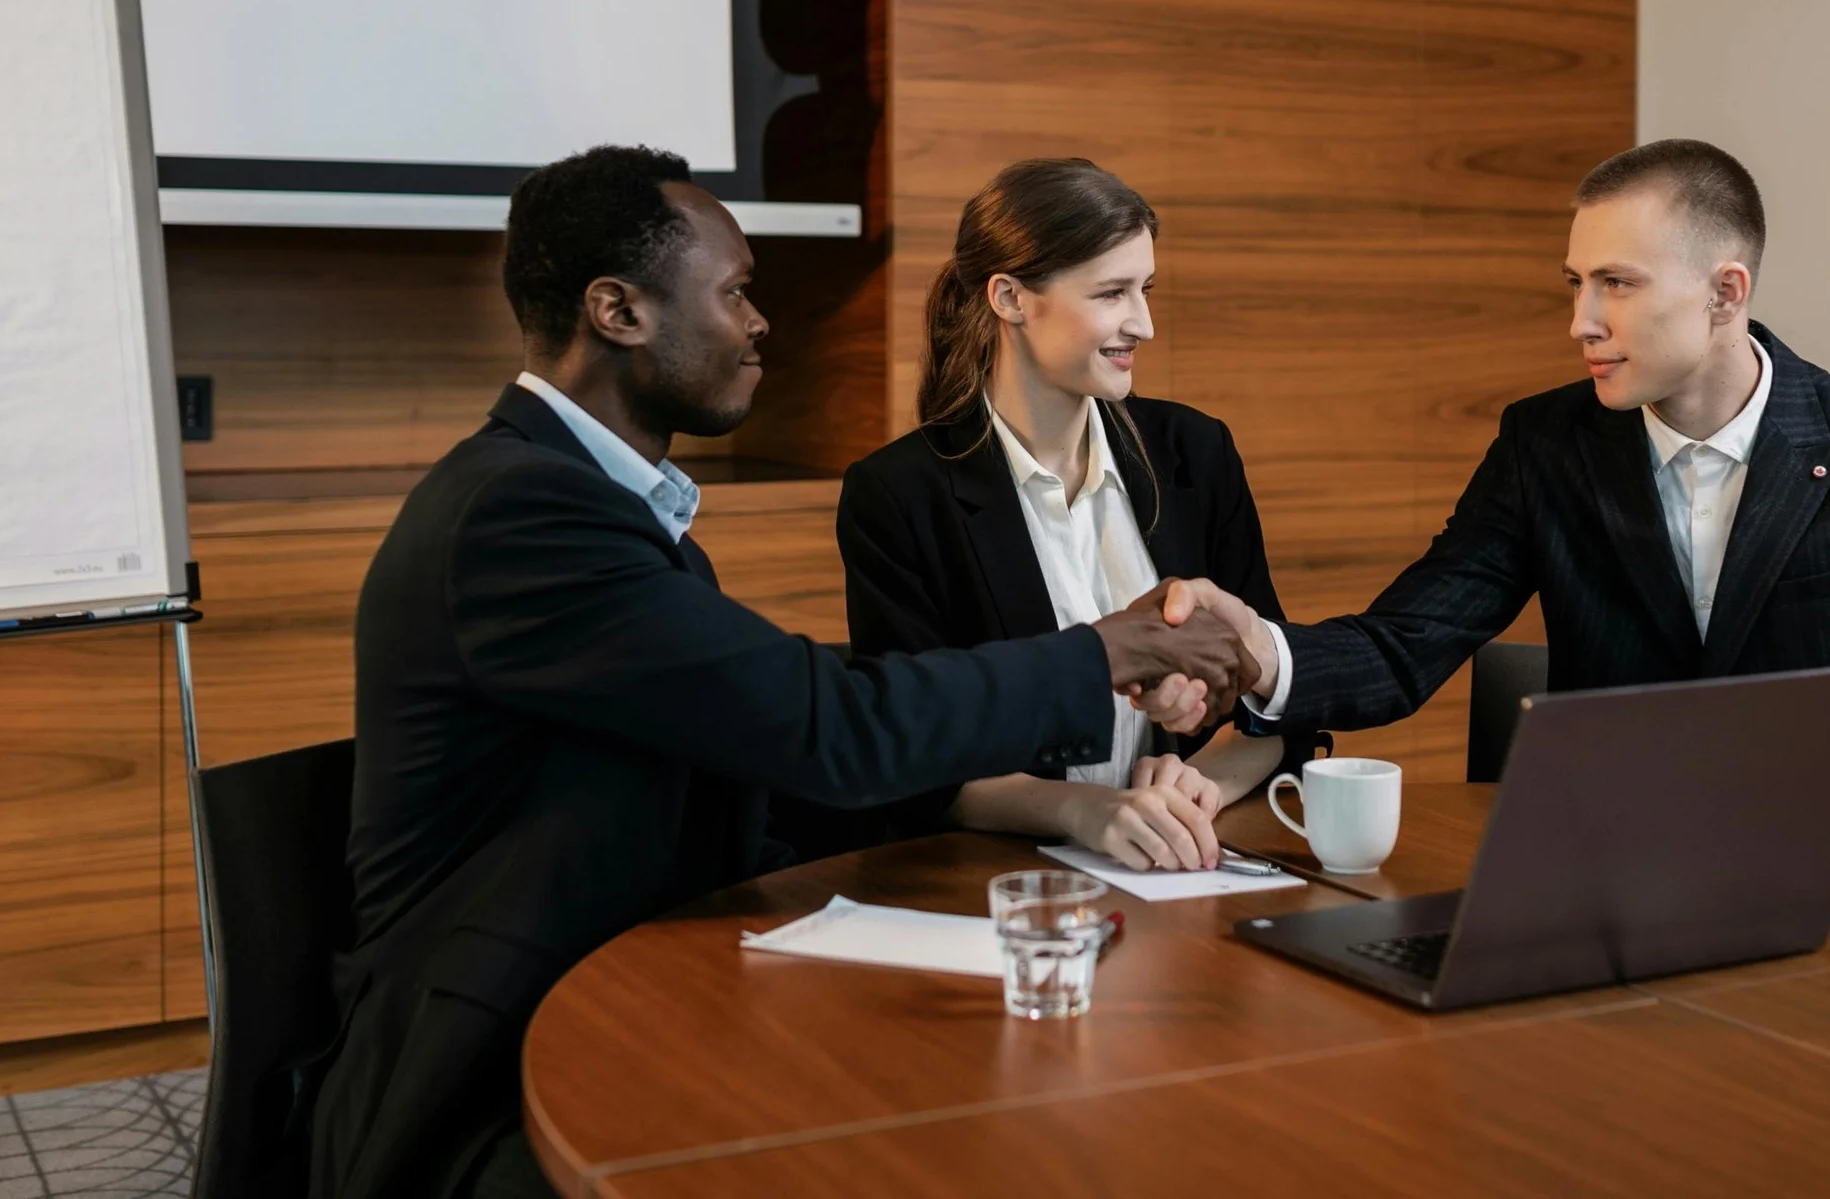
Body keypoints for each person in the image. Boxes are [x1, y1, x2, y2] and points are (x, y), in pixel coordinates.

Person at [306, 146, 1253, 1199]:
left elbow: (770, 725)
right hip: (495, 1068)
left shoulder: (600, 503)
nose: (760, 323)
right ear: (617, 310)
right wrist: (1108, 654)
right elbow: (822, 729)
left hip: (628, 976)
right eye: (735, 291)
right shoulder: (522, 515)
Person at [1161, 139, 1830, 830]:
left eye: (1618, 284)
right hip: (1600, 894)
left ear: (1726, 292)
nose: (1581, 321)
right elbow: (1407, 644)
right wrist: (1262, 653)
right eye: (1576, 282)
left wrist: (1742, 784)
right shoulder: (1546, 442)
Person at [834, 158, 1290, 872]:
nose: (1142, 322)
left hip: (1188, 872)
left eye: (1145, 289)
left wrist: (1205, 783)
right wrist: (1085, 810)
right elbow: (914, 756)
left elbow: (1280, 694)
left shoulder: (1197, 452)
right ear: (1011, 298)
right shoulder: (897, 494)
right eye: (1111, 293)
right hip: (1002, 885)